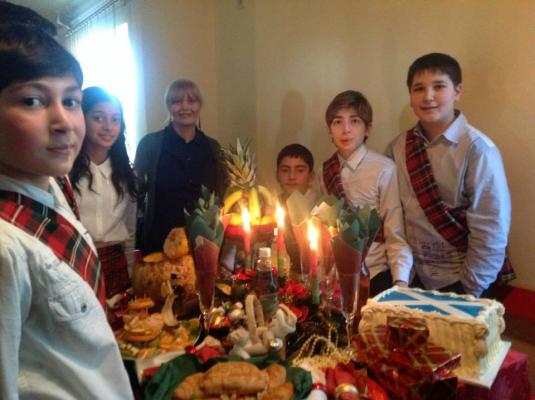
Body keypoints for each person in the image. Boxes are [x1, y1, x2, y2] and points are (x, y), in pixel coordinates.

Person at [0, 25, 133, 399]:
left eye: (71, 101)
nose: (63, 122)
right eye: (32, 101)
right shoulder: (6, 248)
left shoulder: (54, 186)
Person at [386, 53, 512, 297]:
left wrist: (469, 289)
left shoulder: (479, 150)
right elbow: (392, 215)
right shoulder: (397, 148)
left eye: (439, 86)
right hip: (410, 276)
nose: (428, 96)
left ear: (457, 91)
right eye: (418, 88)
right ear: (410, 97)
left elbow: (491, 229)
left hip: (464, 280)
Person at [320, 90, 413, 296]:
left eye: (354, 121)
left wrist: (401, 281)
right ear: (329, 131)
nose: (346, 129)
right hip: (337, 276)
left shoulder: (384, 169)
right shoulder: (325, 171)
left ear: (367, 128)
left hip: (376, 274)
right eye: (337, 122)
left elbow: (394, 230)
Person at [134, 79, 228, 254]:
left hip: (203, 246)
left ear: (199, 105)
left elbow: (221, 197)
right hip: (160, 245)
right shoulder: (150, 145)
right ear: (169, 106)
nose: (185, 107)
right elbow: (135, 196)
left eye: (192, 101)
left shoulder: (213, 148)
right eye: (177, 101)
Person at [70, 86, 137, 301]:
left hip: (115, 263)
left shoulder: (126, 175)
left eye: (115, 119)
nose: (108, 126)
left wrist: (131, 271)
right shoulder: (65, 172)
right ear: (82, 118)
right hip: (76, 260)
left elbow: (130, 230)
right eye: (98, 118)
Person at [276, 144, 318, 278]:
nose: (292, 176)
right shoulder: (272, 206)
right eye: (285, 170)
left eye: (300, 170)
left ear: (311, 176)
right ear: (277, 175)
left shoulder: (320, 210)